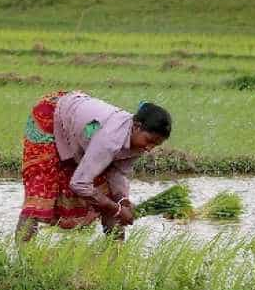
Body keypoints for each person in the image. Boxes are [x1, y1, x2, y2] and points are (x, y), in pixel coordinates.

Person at [16, 90, 171, 242]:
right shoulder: (110, 140)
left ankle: (114, 255)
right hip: (51, 116)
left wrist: (123, 201)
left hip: (80, 133)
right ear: (136, 126)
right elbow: (79, 184)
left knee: (107, 193)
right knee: (40, 192)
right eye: (149, 140)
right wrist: (116, 209)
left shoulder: (138, 144)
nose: (150, 148)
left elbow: (117, 172)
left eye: (156, 145)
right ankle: (23, 257)